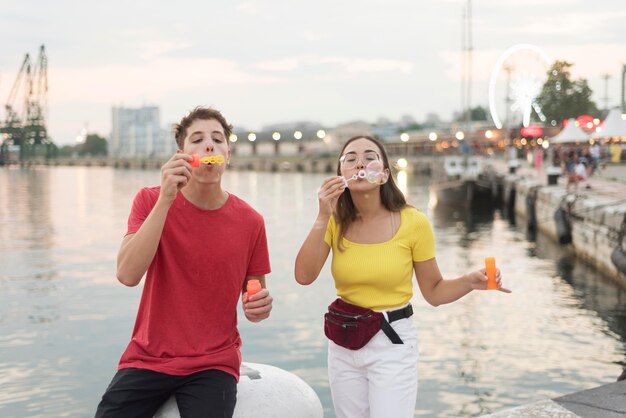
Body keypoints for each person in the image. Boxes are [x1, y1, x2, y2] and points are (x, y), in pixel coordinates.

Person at [294, 135, 510, 418]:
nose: (360, 162)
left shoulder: (413, 222)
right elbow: (304, 276)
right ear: (341, 175)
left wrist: (470, 281)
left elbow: (433, 291)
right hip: (344, 341)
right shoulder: (334, 221)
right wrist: (322, 216)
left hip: (392, 341)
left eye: (370, 156)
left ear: (384, 173)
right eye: (350, 158)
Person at [95, 106, 273, 418]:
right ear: (181, 154)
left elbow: (255, 296)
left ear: (227, 155)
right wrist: (166, 198)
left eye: (218, 140)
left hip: (214, 363)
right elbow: (127, 274)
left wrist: (259, 306)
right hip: (148, 358)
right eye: (198, 139)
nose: (209, 146)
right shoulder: (150, 200)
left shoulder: (251, 222)